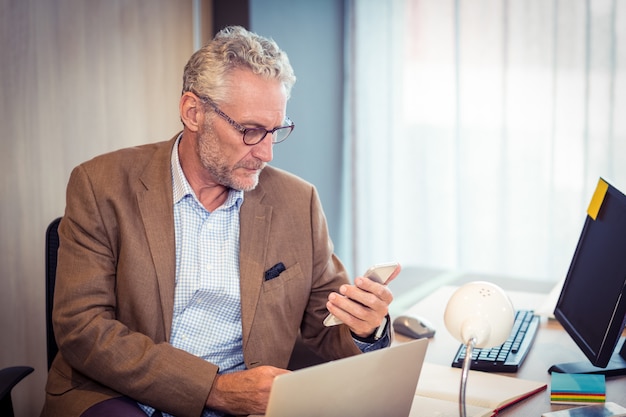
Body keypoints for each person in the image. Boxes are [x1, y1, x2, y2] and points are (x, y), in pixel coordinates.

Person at [41, 26, 394, 417]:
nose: (266, 153)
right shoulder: (101, 184)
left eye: (275, 131)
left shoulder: (298, 202)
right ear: (194, 112)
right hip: (119, 396)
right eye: (250, 131)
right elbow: (82, 328)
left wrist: (365, 328)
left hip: (245, 407)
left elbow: (324, 326)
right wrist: (213, 389)